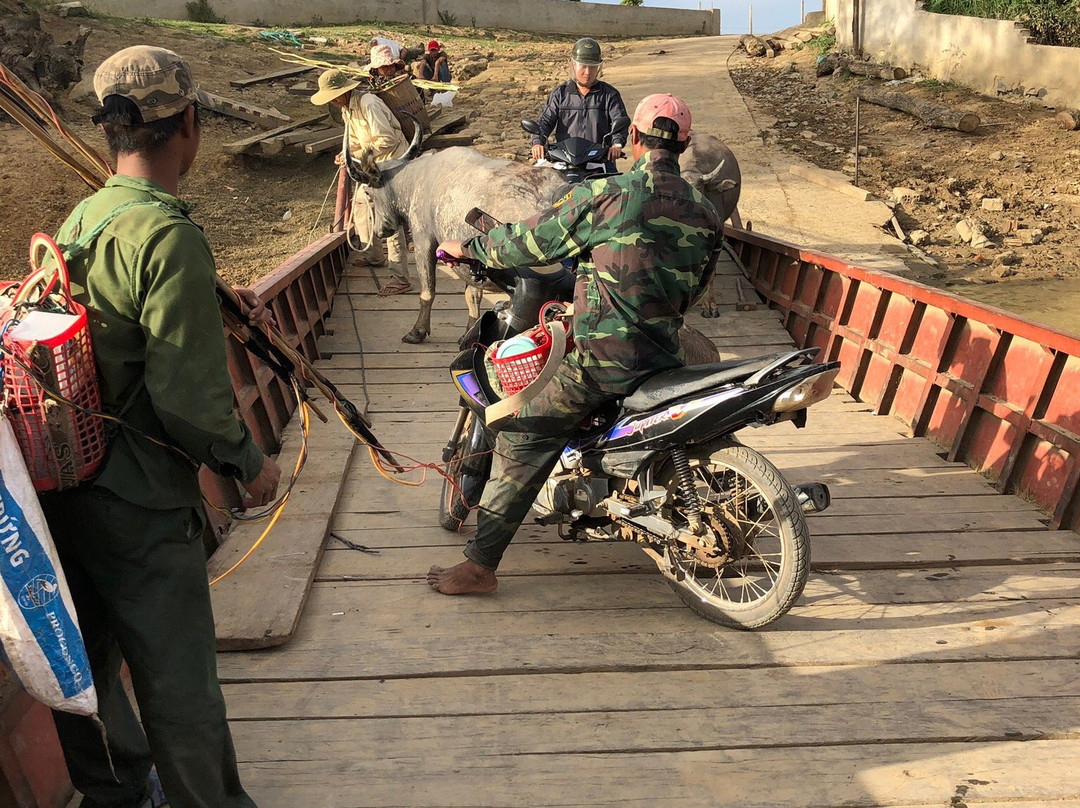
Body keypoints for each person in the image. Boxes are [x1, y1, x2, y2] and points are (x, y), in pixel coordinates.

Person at [39, 45, 282, 808]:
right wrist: (248, 461)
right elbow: (189, 401)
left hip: (70, 488)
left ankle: (117, 792)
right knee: (178, 680)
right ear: (190, 125)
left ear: (113, 131)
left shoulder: (85, 216)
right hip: (142, 506)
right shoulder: (168, 236)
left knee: (94, 659)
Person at [427, 93, 724, 595]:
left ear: (632, 138)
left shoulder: (608, 194)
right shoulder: (705, 212)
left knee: (523, 434)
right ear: (686, 144)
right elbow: (694, 289)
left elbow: (533, 241)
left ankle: (480, 566)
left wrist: (469, 246)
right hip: (666, 358)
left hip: (603, 362)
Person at [311, 58, 413, 296]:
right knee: (360, 206)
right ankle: (375, 255)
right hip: (374, 165)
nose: (333, 103)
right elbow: (356, 140)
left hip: (393, 164)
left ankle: (401, 278)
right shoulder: (348, 108)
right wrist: (347, 153)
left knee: (390, 219)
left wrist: (358, 154)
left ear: (341, 93)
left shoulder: (369, 104)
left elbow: (387, 139)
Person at [530, 37, 629, 172]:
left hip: (598, 161)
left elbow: (619, 121)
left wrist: (616, 144)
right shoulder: (560, 94)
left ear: (598, 68)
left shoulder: (609, 95)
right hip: (565, 161)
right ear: (573, 65)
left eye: (592, 67)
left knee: (616, 190)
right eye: (583, 66)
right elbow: (545, 121)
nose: (587, 72)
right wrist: (538, 142)